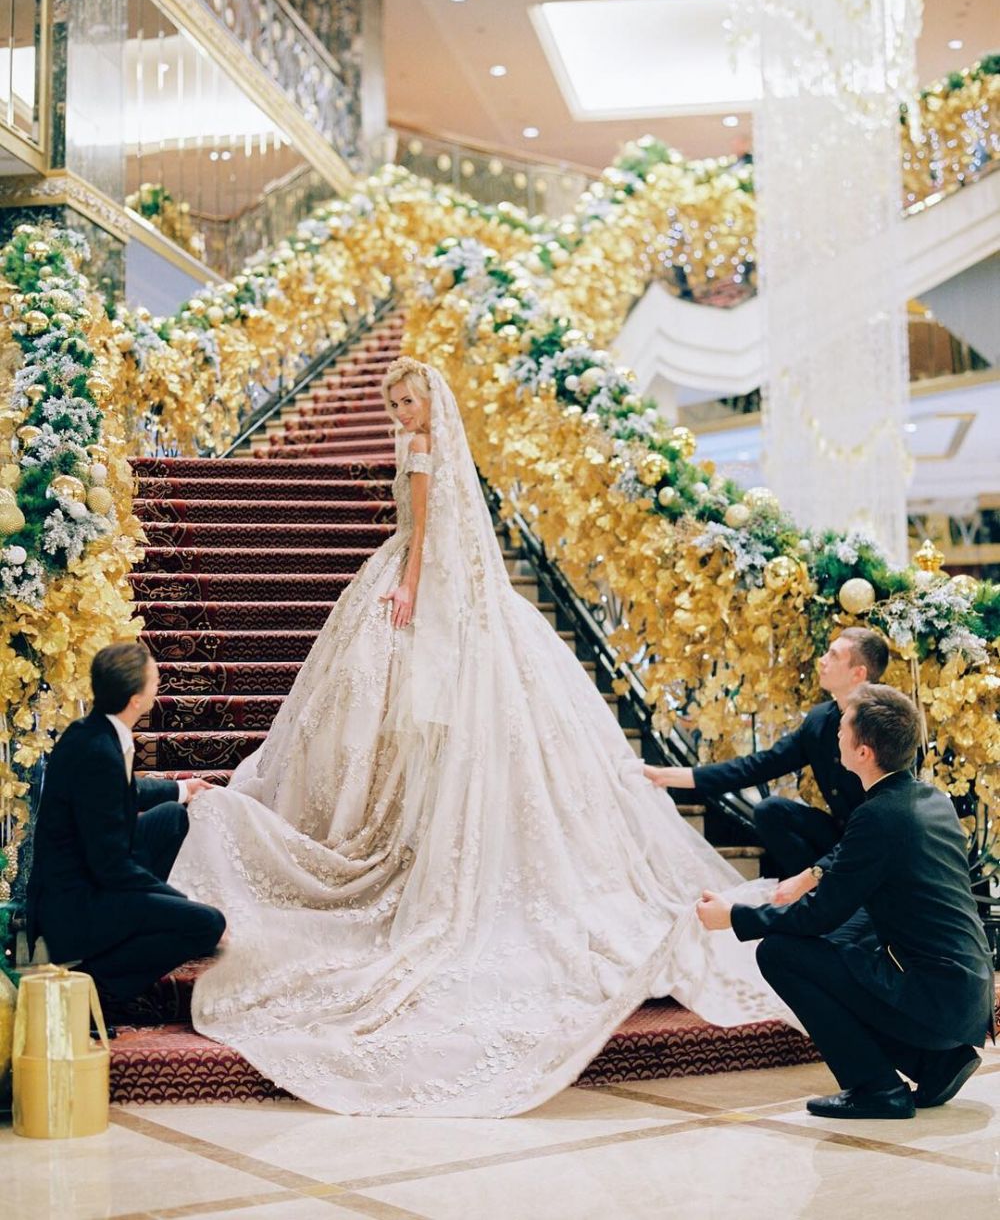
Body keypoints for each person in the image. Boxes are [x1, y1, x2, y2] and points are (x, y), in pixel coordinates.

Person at [169, 357, 791, 1118]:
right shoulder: (422, 446)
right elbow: (428, 525)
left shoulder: (423, 451)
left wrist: (409, 585)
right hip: (431, 576)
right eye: (393, 401)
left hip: (424, 577)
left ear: (432, 399)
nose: (402, 411)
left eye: (410, 398)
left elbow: (426, 529)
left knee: (414, 711)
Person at [696, 684, 994, 1120]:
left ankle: (876, 1087)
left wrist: (735, 917)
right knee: (843, 945)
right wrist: (812, 875)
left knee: (780, 952)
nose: (836, 731)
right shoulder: (931, 800)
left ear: (863, 752)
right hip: (966, 997)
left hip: (936, 1001)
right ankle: (931, 1062)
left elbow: (819, 915)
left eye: (843, 725)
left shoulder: (877, 816)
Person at [26, 642, 226, 1007]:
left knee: (171, 817)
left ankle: (134, 926)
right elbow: (113, 869)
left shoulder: (91, 731)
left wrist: (182, 788)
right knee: (206, 923)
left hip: (92, 875)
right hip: (75, 906)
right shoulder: (99, 754)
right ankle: (99, 984)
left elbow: (122, 791)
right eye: (154, 677)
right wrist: (181, 901)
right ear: (136, 699)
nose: (159, 681)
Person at [644, 627, 890, 901]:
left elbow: (885, 819)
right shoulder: (820, 721)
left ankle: (828, 898)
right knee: (771, 810)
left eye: (833, 655)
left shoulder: (884, 725)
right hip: (838, 838)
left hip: (876, 847)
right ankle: (820, 900)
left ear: (858, 673)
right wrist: (670, 776)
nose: (822, 660)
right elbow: (760, 765)